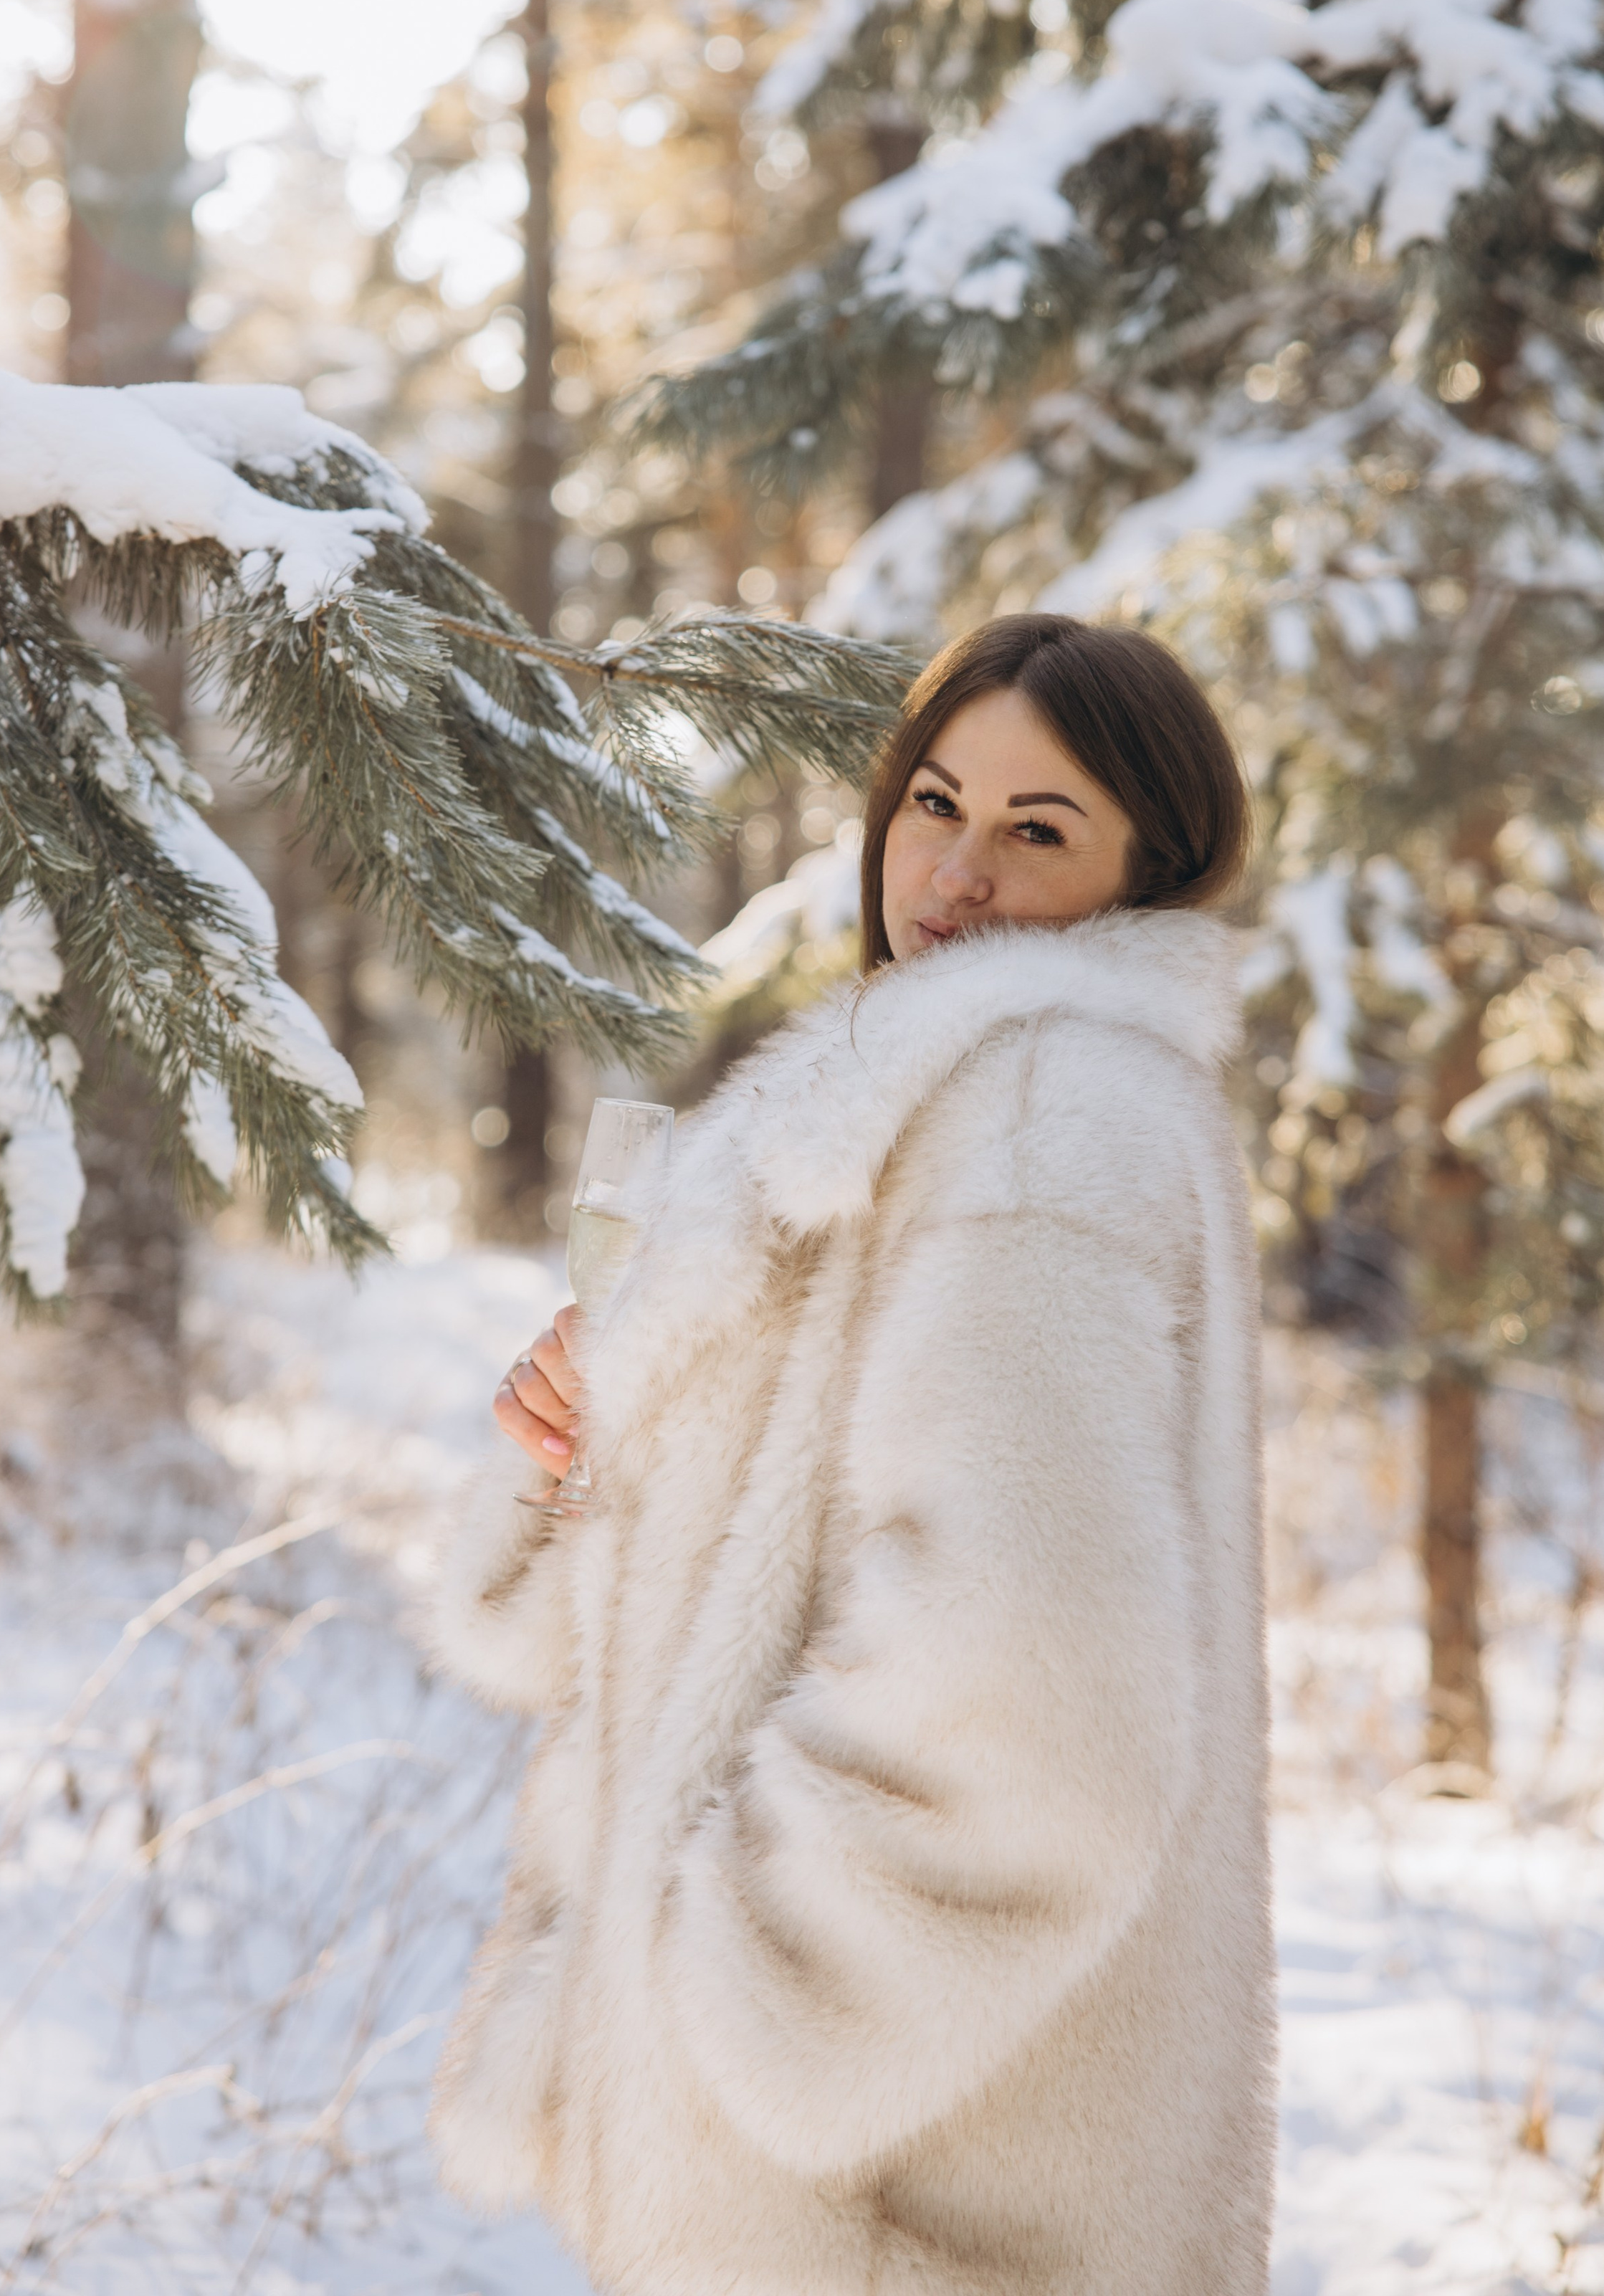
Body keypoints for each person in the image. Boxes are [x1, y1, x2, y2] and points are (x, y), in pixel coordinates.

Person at [427, 611, 1274, 2296]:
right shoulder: (906, 1106)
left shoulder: (1044, 1111)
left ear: (1146, 870)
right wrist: (576, 1447)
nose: (951, 873)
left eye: (1037, 831)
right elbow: (579, 1628)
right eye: (933, 803)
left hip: (904, 2202)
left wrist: (749, 1994)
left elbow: (1032, 1688)